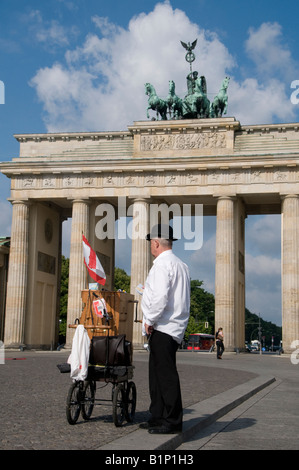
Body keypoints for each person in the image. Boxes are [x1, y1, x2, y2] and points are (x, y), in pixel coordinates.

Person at [140, 224, 190, 434]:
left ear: (156, 243)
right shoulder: (181, 265)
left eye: (151, 243)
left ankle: (172, 421)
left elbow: (160, 298)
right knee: (157, 374)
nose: (151, 247)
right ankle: (158, 415)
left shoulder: (161, 266)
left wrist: (149, 320)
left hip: (163, 326)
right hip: (174, 326)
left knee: (166, 376)